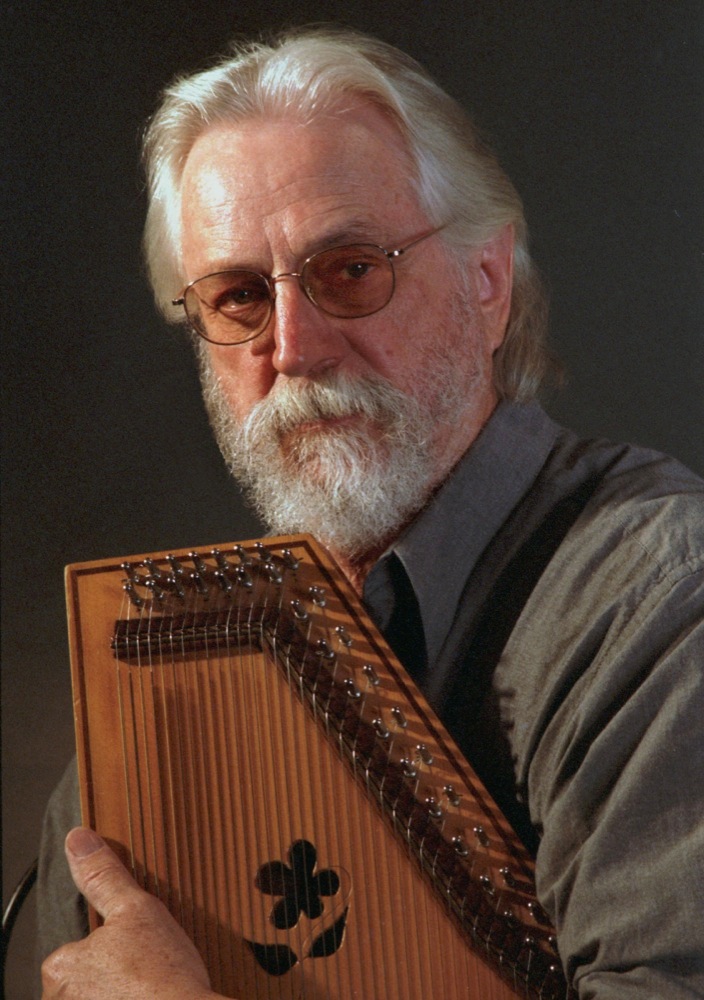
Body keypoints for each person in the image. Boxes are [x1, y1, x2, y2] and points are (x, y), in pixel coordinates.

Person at [38, 26, 703, 1000]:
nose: (294, 346)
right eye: (235, 297)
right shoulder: (162, 690)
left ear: (486, 281)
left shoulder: (656, 599)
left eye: (349, 269)